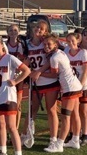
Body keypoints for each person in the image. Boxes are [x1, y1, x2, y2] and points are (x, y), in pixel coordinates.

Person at [21, 20, 59, 148]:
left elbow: (52, 58)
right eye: (37, 27)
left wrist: (39, 71)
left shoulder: (46, 43)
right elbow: (24, 61)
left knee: (51, 110)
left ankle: (53, 139)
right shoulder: (26, 44)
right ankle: (26, 135)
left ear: (45, 31)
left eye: (41, 28)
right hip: (35, 83)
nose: (38, 29)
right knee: (32, 110)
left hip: (49, 81)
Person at [42, 34, 83, 153]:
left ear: (55, 44)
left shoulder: (54, 57)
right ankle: (75, 140)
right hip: (75, 85)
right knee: (75, 114)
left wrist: (38, 73)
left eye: (49, 44)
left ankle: (59, 144)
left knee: (66, 117)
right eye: (44, 44)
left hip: (70, 88)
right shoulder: (61, 52)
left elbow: (53, 75)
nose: (46, 46)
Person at [64, 30, 87, 148]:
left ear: (78, 40)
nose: (71, 43)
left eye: (73, 41)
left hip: (83, 86)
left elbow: (85, 71)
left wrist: (80, 86)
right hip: (71, 87)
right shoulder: (66, 51)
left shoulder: (83, 53)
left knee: (84, 112)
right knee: (72, 112)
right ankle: (72, 134)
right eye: (69, 41)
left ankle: (85, 135)